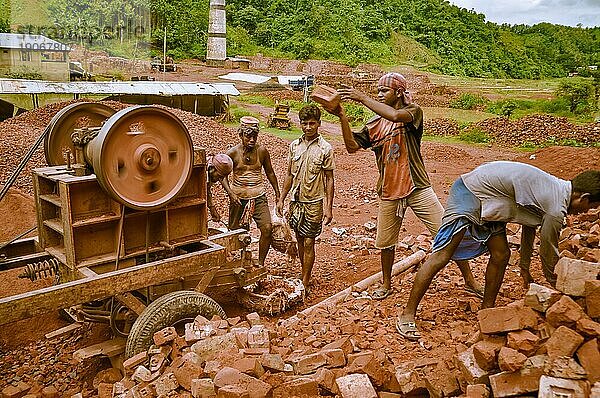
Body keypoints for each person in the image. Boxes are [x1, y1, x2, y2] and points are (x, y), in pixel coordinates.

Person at [396, 161, 600, 341]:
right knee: (442, 256)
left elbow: (529, 225)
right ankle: (407, 314)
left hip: (495, 198)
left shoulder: (556, 190)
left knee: (501, 254)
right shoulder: (556, 207)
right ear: (583, 198)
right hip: (472, 191)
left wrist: (525, 267)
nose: (585, 212)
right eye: (590, 207)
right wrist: (560, 286)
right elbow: (548, 250)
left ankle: (487, 311)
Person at [326, 72, 481, 300]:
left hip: (417, 186)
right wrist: (342, 117)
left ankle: (469, 280)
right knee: (386, 243)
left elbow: (396, 115)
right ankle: (386, 284)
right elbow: (351, 147)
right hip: (389, 190)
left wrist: (362, 98)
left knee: (446, 234)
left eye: (384, 90)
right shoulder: (374, 125)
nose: (379, 94)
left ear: (399, 92)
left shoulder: (412, 112)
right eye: (377, 90)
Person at [276, 105, 335, 290]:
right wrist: (281, 198)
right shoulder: (294, 146)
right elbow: (289, 175)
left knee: (309, 240)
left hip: (314, 202)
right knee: (300, 238)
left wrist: (328, 207)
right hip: (296, 200)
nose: (308, 127)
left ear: (319, 124)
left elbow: (329, 179)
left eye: (312, 123)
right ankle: (304, 271)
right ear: (300, 124)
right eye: (305, 123)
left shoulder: (325, 148)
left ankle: (305, 278)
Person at [222, 116, 280, 266]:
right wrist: (231, 193)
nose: (252, 139)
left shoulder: (262, 151)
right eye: (248, 135)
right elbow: (221, 175)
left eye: (255, 136)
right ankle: (238, 263)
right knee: (235, 233)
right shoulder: (233, 153)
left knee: (267, 228)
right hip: (238, 198)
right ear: (240, 135)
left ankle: (260, 262)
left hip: (258, 196)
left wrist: (278, 194)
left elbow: (270, 172)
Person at [207, 153, 233, 223]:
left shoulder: (211, 171)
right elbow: (205, 190)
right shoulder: (203, 171)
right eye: (219, 176)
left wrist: (212, 209)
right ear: (212, 169)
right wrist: (212, 209)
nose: (220, 180)